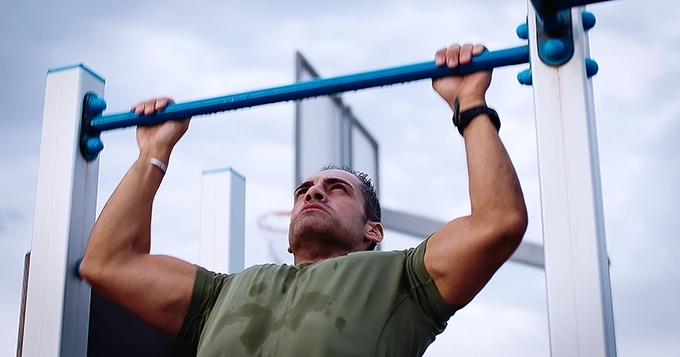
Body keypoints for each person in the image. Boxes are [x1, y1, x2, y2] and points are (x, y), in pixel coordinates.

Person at [79, 43, 527, 356]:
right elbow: (107, 263)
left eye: (337, 189)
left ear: (374, 230)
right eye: (304, 190)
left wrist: (469, 102)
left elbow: (498, 223)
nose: (313, 191)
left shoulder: (404, 280)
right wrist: (153, 153)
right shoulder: (223, 294)